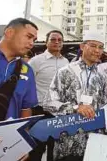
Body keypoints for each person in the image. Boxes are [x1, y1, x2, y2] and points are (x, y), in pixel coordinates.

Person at [43, 31, 107, 161]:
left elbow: (105, 105)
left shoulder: (102, 76)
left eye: (100, 47)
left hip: (95, 143)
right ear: (82, 46)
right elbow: (49, 102)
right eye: (93, 46)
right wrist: (75, 108)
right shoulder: (65, 72)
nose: (97, 50)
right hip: (68, 142)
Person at [28, 30, 69, 161]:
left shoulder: (66, 62)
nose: (56, 42)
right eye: (53, 39)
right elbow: (27, 86)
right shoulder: (35, 61)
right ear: (46, 42)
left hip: (59, 112)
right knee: (36, 149)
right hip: (40, 112)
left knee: (55, 149)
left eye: (59, 40)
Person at [0, 18, 38, 121]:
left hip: (7, 136)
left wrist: (22, 134)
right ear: (9, 32)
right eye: (29, 37)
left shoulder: (27, 70)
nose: (31, 43)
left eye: (34, 40)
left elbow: (26, 108)